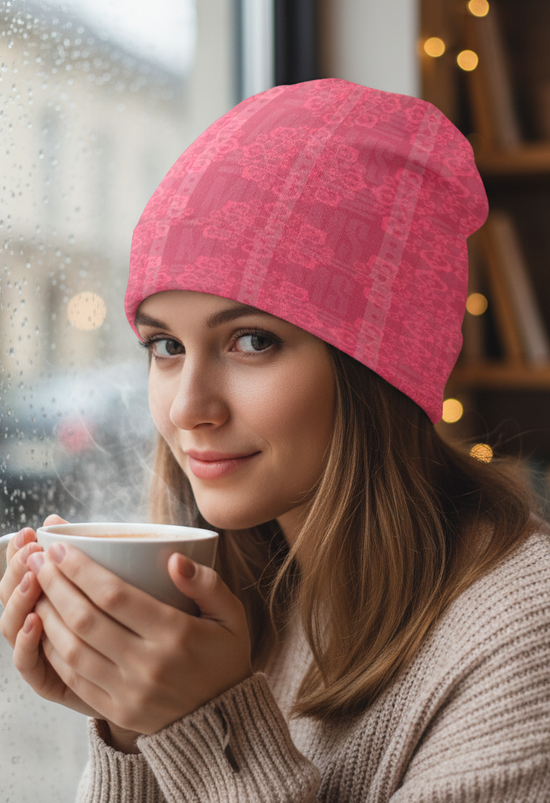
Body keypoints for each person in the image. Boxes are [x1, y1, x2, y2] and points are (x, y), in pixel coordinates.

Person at [1, 78, 549, 802]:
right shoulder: (246, 588)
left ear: (376, 369)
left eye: (252, 340)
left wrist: (208, 726)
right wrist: (132, 724)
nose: (189, 408)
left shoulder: (523, 637)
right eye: (164, 346)